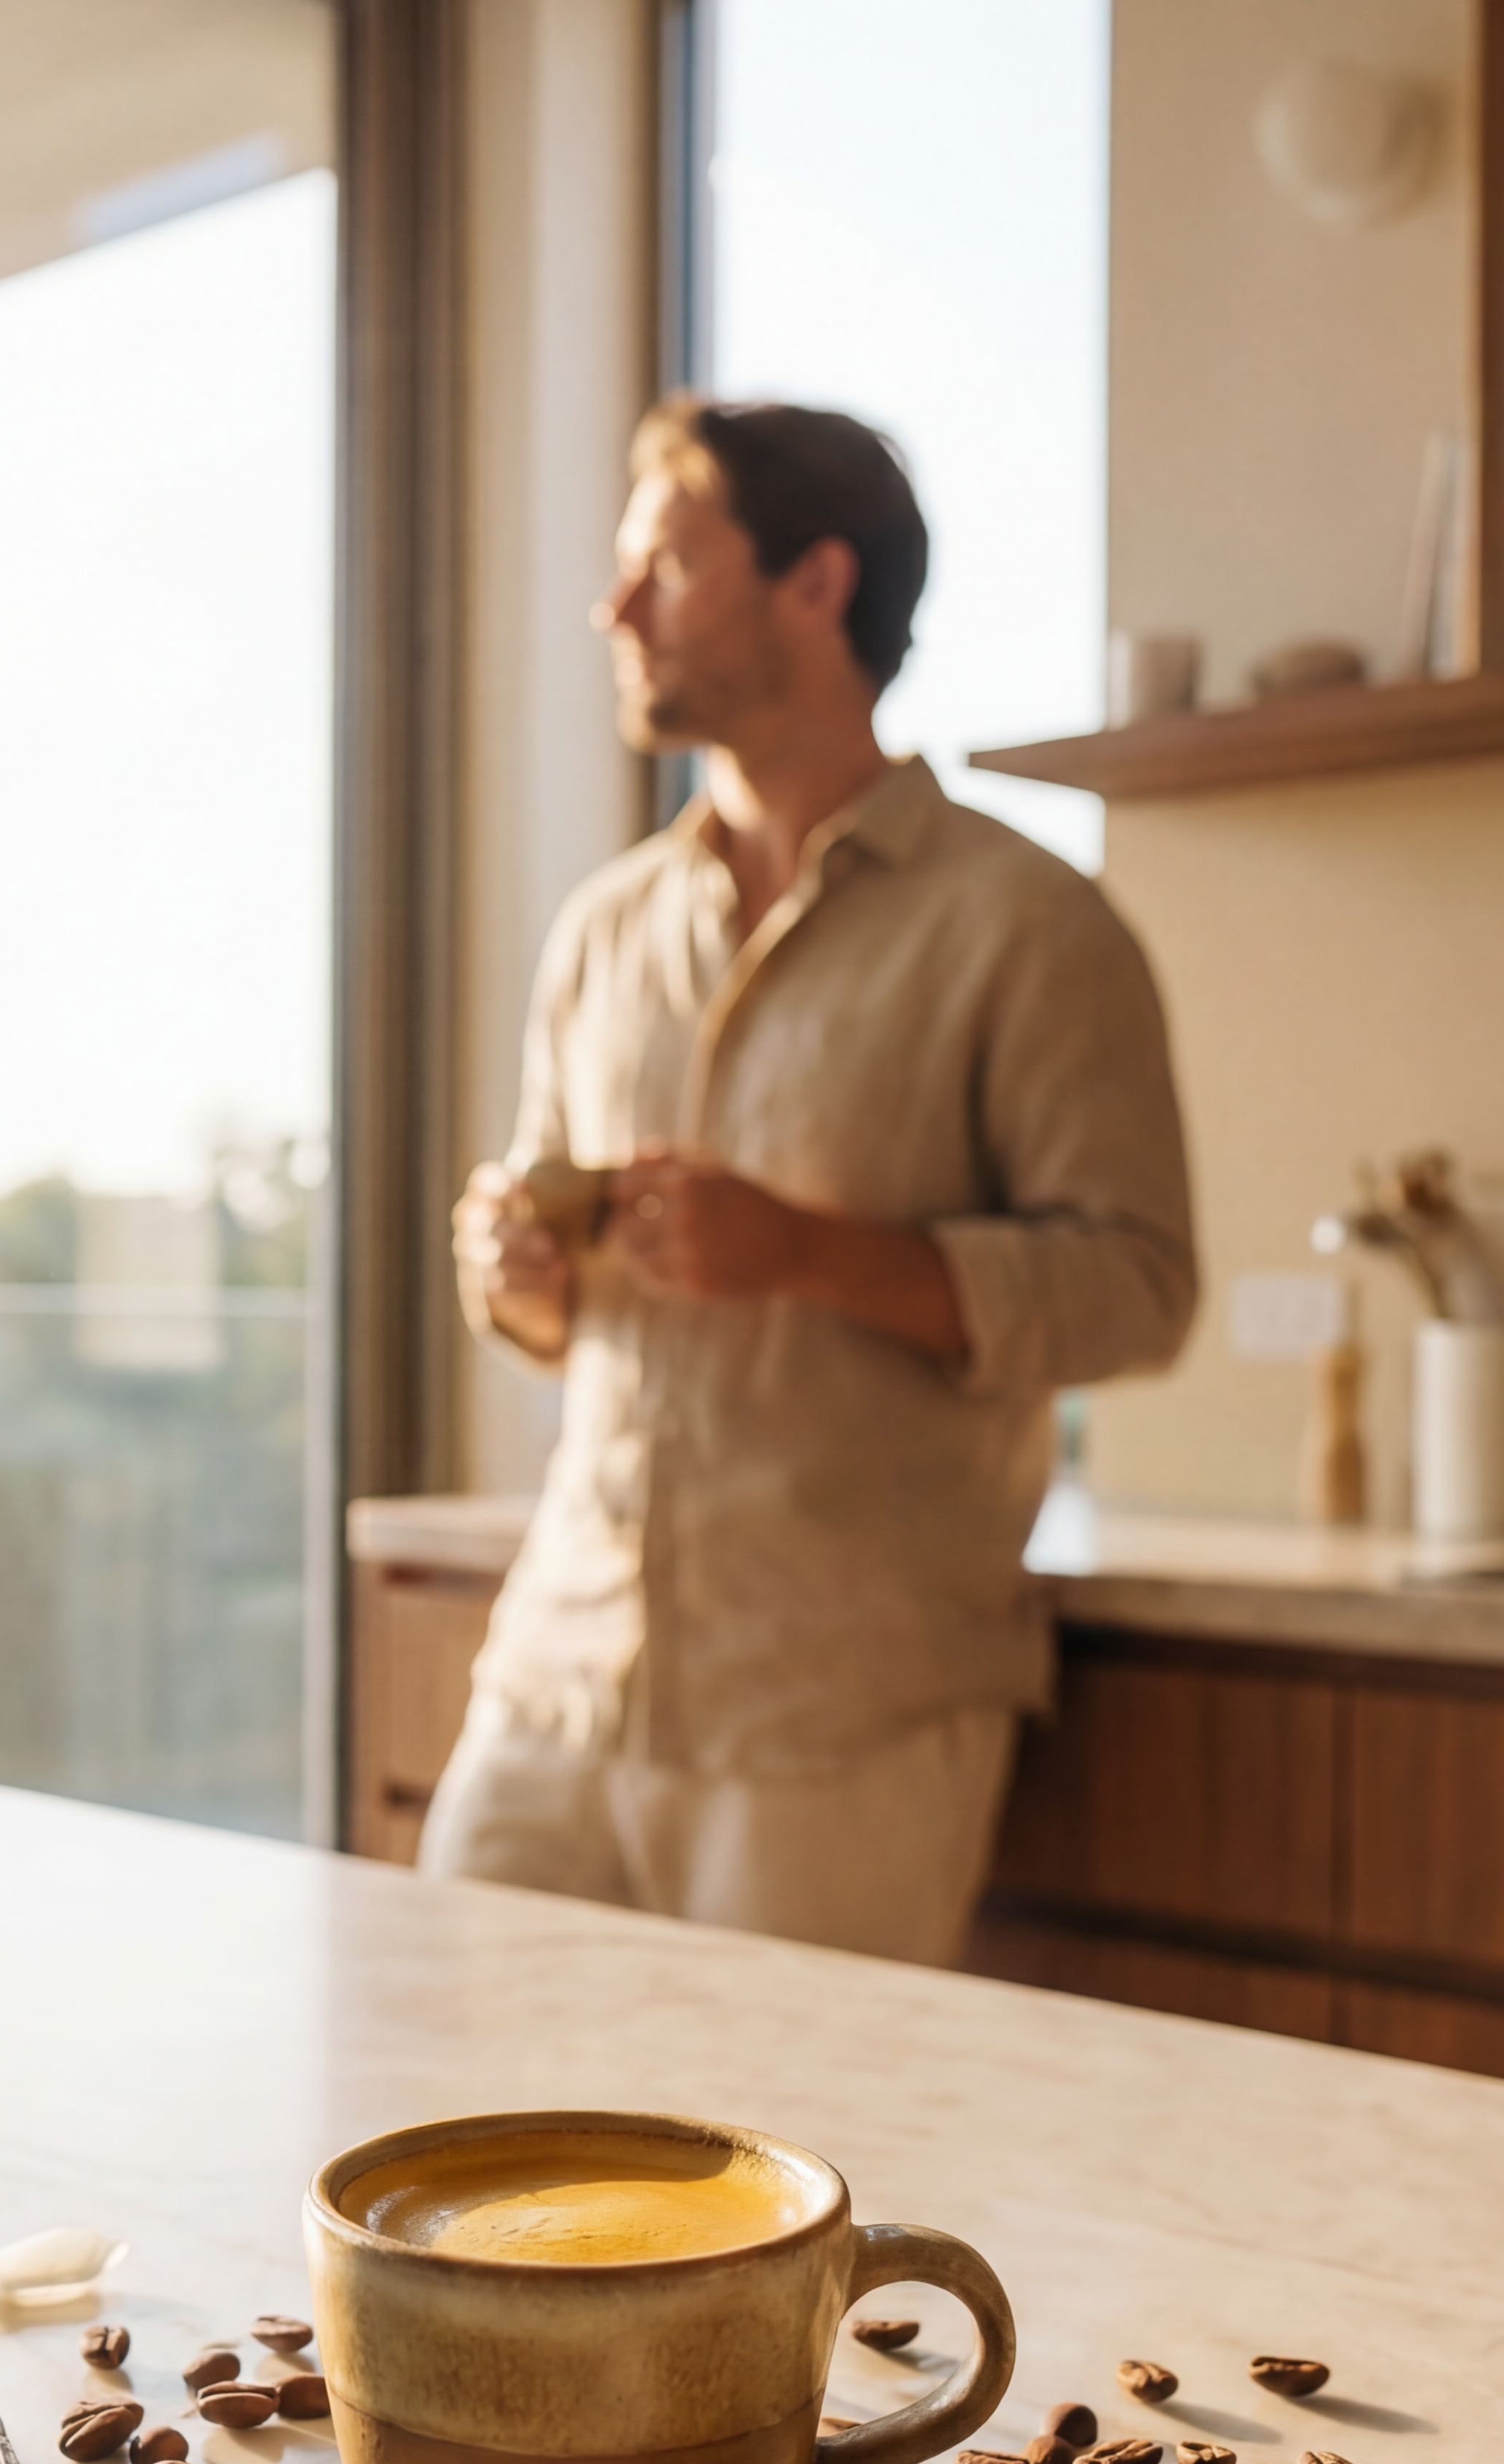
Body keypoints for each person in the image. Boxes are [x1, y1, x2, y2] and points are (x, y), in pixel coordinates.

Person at [419, 396, 1197, 1966]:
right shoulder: (603, 928)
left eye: (661, 566)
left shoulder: (1027, 927)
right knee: (444, 2134)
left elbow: (1135, 1289)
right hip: (557, 1672)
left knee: (774, 2194)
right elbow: (557, 1314)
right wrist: (519, 1273)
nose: (612, 608)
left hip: (842, 1712)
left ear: (814, 586)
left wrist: (806, 1252)